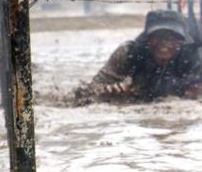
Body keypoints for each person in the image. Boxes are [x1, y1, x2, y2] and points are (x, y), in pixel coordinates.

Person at [74, 9, 202, 103]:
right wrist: (108, 92)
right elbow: (88, 92)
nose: (164, 43)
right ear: (147, 38)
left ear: (182, 41)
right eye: (158, 36)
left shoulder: (194, 59)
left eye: (172, 38)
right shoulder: (129, 53)